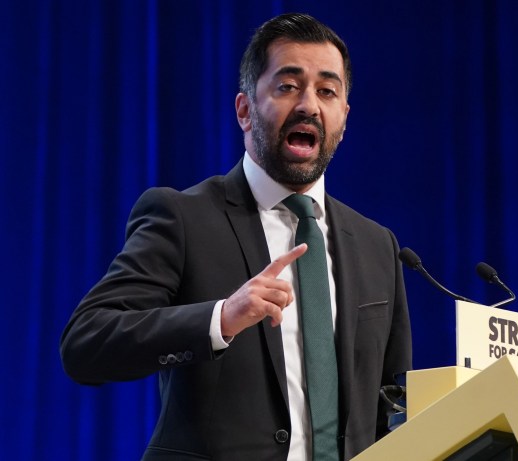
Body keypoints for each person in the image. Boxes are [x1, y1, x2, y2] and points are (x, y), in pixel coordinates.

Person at [60, 12, 411, 461]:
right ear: (245, 110)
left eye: (327, 91)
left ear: (343, 117)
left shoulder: (376, 244)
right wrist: (220, 319)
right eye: (287, 86)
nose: (308, 105)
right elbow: (86, 343)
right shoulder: (183, 217)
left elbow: (395, 401)